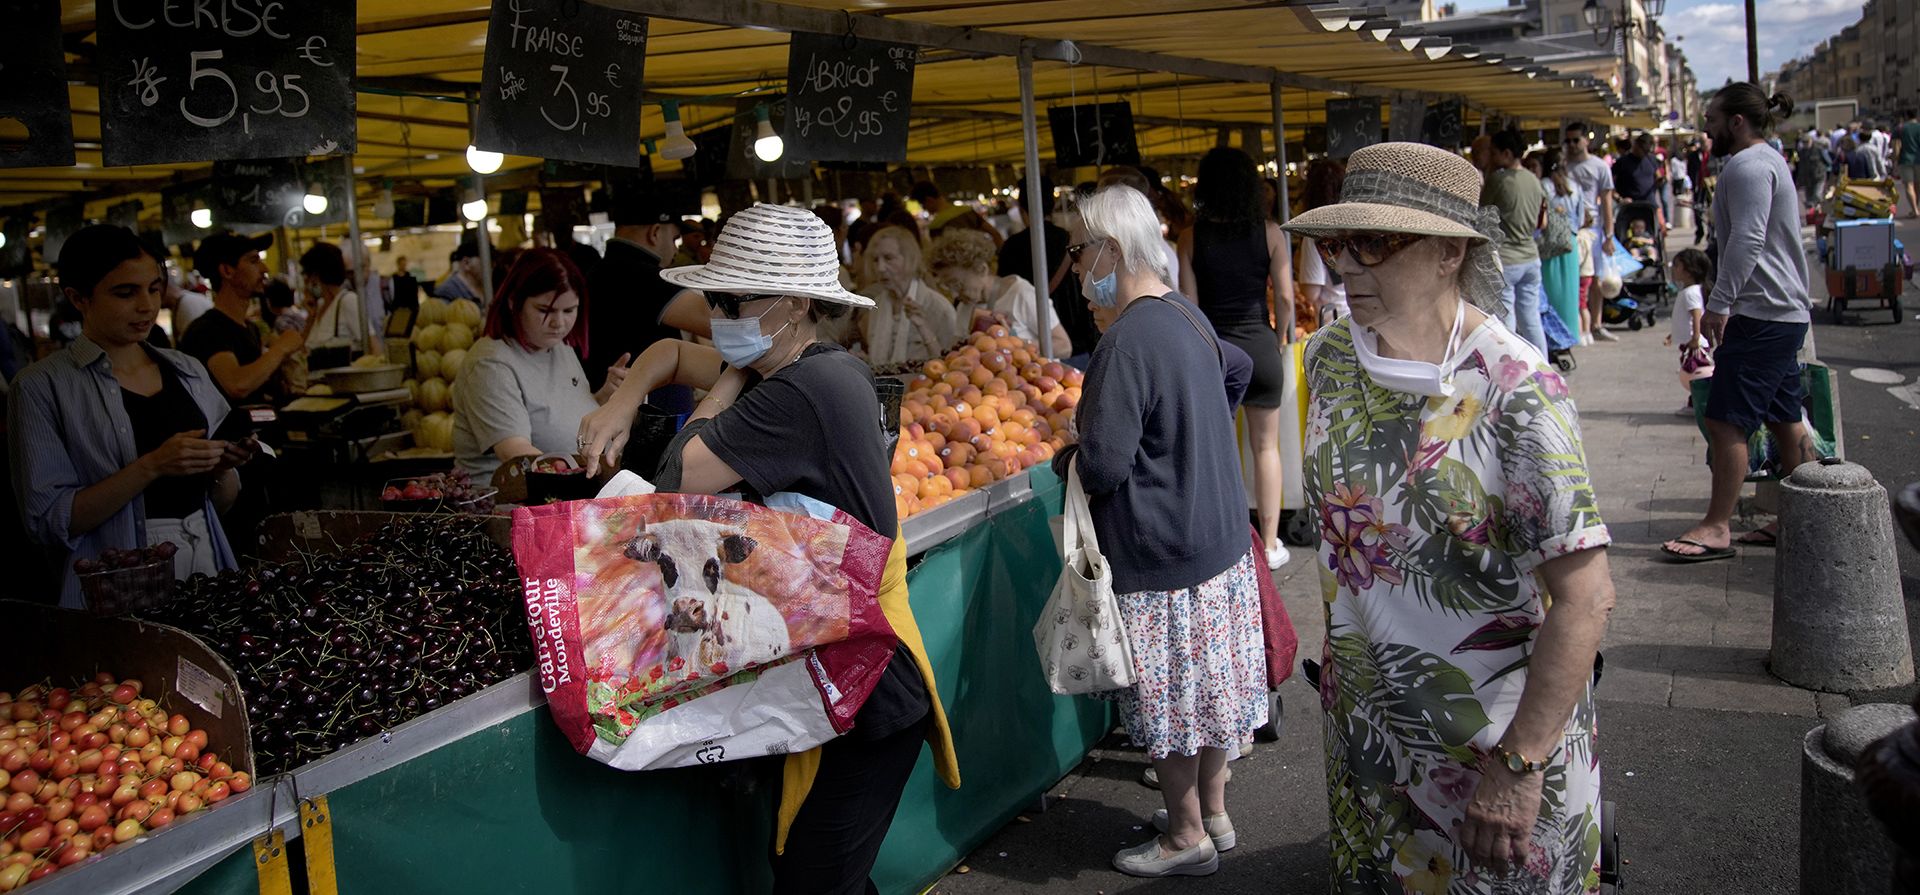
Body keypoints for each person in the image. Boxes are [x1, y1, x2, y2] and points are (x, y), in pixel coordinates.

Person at [576, 203, 958, 895]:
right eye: (714, 298)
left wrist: (725, 377)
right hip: (841, 674)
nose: (718, 312)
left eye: (732, 300)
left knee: (813, 880)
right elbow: (666, 353)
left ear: (794, 302)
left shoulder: (804, 388)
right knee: (816, 874)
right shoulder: (810, 366)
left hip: (866, 686)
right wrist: (624, 398)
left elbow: (678, 478)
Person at [1282, 141, 1615, 892]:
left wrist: (1520, 766)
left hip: (1492, 764)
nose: (1344, 266)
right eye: (1337, 243)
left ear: (1447, 254)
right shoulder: (1327, 359)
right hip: (1370, 749)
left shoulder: (1517, 390)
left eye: (1373, 242)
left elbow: (1587, 597)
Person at [1055, 184, 1263, 878]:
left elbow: (1107, 460)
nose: (1079, 267)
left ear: (1112, 250)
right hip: (1219, 542)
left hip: (1162, 554)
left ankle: (1184, 835)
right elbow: (1238, 368)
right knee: (1207, 695)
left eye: (1081, 251)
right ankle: (1214, 813)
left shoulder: (1125, 341)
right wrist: (1190, 432)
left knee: (1172, 705)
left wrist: (1071, 457)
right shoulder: (1185, 315)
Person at [9, 225, 252, 609]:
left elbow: (219, 501)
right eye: (126, 293)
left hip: (206, 561)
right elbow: (48, 522)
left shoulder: (187, 370)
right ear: (78, 297)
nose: (147, 305)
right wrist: (151, 466)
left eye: (154, 288)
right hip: (117, 584)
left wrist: (220, 466)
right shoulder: (41, 387)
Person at [1661, 86, 1815, 562]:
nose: (1704, 127)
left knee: (1726, 420)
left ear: (1735, 122)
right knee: (1785, 417)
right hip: (1778, 312)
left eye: (1710, 118)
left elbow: (1747, 240)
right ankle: (1803, 519)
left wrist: (1719, 304)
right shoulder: (1765, 160)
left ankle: (1716, 526)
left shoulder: (1747, 166)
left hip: (1760, 313)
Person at [1176, 147, 1298, 569]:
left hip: (1215, 351)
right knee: (1267, 448)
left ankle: (1228, 540)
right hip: (1261, 345)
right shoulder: (1271, 233)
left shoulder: (1190, 238)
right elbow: (1284, 295)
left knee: (1218, 448)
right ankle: (1270, 544)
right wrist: (1278, 336)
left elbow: (1188, 303)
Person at [450, 249, 628, 484]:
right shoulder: (491, 365)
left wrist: (603, 398)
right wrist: (578, 477)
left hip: (571, 490)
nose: (559, 323)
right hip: (512, 502)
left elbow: (561, 415)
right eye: (545, 311)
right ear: (514, 302)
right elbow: (515, 453)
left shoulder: (559, 346)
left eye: (569, 311)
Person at [583, 192, 710, 411]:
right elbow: (714, 321)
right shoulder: (635, 273)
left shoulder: (602, 270)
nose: (676, 248)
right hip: (642, 413)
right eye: (674, 239)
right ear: (655, 233)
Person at [179, 232, 307, 406]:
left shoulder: (249, 328)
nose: (265, 269)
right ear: (227, 271)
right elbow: (237, 384)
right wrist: (281, 348)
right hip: (231, 433)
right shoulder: (207, 330)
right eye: (254, 261)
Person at [1000, 176, 1098, 363]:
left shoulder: (1011, 247)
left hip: (1031, 350)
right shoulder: (1071, 241)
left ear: (1022, 210)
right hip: (1076, 342)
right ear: (1052, 206)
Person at [927, 228, 1070, 354]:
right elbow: (956, 351)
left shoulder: (1020, 293)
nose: (954, 294)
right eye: (948, 286)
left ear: (982, 269)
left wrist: (1014, 343)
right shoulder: (964, 306)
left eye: (957, 284)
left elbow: (1064, 346)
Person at [1483, 128, 1550, 353]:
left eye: (1494, 152)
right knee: (1531, 320)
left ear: (1507, 153)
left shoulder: (1498, 180)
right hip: (1531, 256)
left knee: (1507, 321)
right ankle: (1543, 368)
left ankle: (1510, 374)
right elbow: (1542, 221)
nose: (1491, 157)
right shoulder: (1534, 180)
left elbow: (1482, 214)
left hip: (1506, 259)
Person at [859, 225, 956, 366]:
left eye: (888, 258)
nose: (880, 268)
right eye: (875, 260)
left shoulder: (938, 307)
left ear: (910, 259)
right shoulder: (877, 305)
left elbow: (951, 362)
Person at [1564, 123, 1618, 341]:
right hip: (1569, 228)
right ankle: (1577, 323)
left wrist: (1609, 234)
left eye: (1575, 140)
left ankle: (1596, 323)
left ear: (1586, 140)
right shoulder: (1564, 166)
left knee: (1594, 278)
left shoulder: (1599, 166)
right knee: (1573, 278)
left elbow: (1606, 200)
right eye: (1568, 141)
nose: (1572, 145)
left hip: (1592, 229)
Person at [1296, 158, 1351, 326]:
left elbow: (1311, 292)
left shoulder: (1315, 234)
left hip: (1335, 322)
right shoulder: (1356, 228)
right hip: (1360, 317)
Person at [1540, 149, 1587, 336]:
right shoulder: (1575, 186)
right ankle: (1572, 333)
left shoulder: (1543, 185)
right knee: (1570, 292)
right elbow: (1582, 218)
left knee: (1551, 292)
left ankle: (1554, 335)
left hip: (1550, 243)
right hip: (1571, 242)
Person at [1666, 248, 1714, 412]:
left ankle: (1699, 403)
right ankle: (1695, 402)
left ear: (1689, 271)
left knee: (1697, 373)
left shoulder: (1690, 293)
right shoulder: (1687, 292)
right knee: (1693, 372)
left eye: (1677, 266)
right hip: (1690, 342)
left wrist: (1695, 338)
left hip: (1695, 343)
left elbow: (1696, 315)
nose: (1674, 269)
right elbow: (1684, 318)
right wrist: (1674, 334)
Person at [298, 242, 364, 356]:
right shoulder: (319, 307)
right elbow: (302, 349)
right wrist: (311, 316)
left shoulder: (348, 301)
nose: (307, 282)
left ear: (319, 276)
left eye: (309, 276)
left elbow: (372, 345)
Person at [1611, 132, 1666, 232]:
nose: (1644, 153)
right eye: (1642, 149)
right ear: (1635, 145)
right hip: (1629, 207)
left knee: (1657, 232)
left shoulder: (1651, 159)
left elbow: (1658, 176)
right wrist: (1619, 199)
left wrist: (1660, 181)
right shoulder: (1622, 162)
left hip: (1649, 206)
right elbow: (1608, 183)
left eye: (1646, 151)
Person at [435, 233, 489, 302]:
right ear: (466, 263)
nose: (490, 265)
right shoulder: (447, 293)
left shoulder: (486, 286)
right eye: (484, 260)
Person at [1895, 110, 1920, 219]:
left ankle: (1914, 210)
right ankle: (1916, 208)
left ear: (1906, 116)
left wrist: (1895, 161)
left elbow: (1896, 146)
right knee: (1918, 185)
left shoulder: (1900, 128)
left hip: (1905, 160)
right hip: (1918, 159)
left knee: (1909, 185)